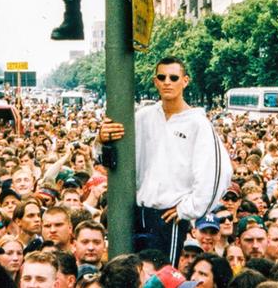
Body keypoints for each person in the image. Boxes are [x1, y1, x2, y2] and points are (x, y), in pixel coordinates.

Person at [97, 56, 232, 263]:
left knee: (160, 278)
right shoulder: (142, 117)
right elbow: (111, 156)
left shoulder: (198, 123)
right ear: (155, 81)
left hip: (168, 217)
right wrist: (101, 139)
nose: (167, 81)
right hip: (136, 212)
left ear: (185, 81)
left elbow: (217, 173)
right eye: (162, 77)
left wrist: (187, 209)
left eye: (173, 77)